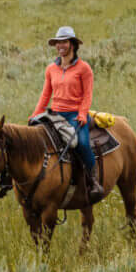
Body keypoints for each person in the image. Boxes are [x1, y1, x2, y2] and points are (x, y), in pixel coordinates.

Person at [30, 26, 105, 204]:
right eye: (58, 42)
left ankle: (93, 181)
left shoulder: (84, 68)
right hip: (54, 113)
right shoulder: (51, 69)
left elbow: (87, 95)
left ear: (72, 44)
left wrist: (82, 114)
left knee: (82, 143)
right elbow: (46, 94)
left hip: (75, 115)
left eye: (64, 42)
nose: (60, 46)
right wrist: (36, 114)